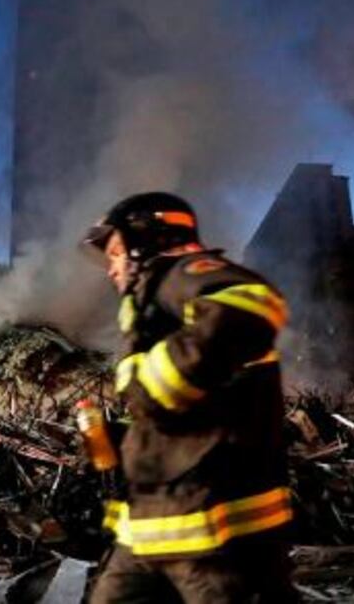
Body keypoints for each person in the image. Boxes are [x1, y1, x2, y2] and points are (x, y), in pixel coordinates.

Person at [82, 192, 297, 603]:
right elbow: (190, 413)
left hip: (212, 538)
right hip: (149, 533)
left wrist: (151, 391)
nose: (110, 269)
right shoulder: (153, 306)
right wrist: (125, 435)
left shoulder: (180, 272)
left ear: (146, 239)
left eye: (114, 253)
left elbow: (249, 304)